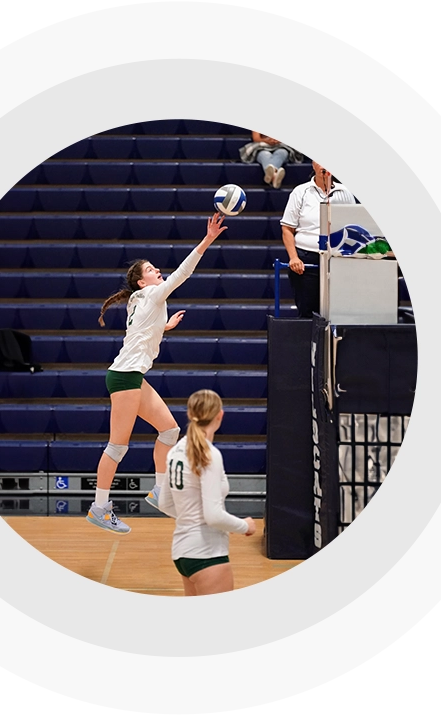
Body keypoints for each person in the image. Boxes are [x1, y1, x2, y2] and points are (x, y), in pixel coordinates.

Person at [86, 213, 229, 534]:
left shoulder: (140, 299)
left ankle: (160, 491)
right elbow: (183, 273)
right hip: (125, 377)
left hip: (130, 375)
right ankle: (99, 507)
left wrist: (164, 327)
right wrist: (207, 239)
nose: (158, 271)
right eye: (151, 270)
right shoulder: (151, 293)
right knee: (117, 446)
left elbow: (140, 333)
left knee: (169, 430)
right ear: (141, 281)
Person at [156, 389, 256, 596]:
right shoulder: (209, 454)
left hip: (182, 553)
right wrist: (245, 525)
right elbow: (213, 516)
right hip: (207, 554)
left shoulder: (175, 450)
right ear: (220, 415)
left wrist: (191, 518)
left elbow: (164, 503)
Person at [279, 160, 357, 318]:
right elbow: (287, 228)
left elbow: (354, 226)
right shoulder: (301, 192)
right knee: (308, 312)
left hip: (337, 258)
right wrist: (293, 257)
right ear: (313, 165)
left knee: (340, 312)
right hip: (307, 258)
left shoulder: (346, 193)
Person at [239, 131, 303, 190]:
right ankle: (274, 176)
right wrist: (267, 140)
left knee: (282, 152)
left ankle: (271, 176)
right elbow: (256, 138)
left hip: (281, 146)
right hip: (262, 147)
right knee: (264, 154)